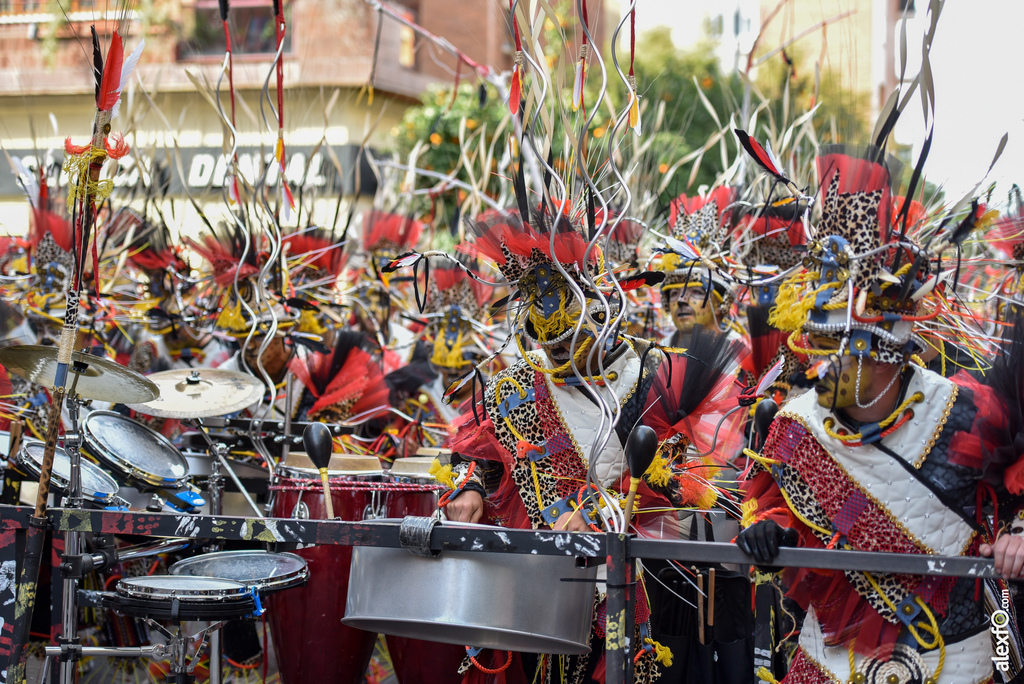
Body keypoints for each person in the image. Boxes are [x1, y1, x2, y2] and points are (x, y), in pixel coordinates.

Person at [736, 144, 1024, 684]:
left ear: (884, 353)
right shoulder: (796, 425)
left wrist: (1019, 537)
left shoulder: (966, 412)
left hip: (952, 662)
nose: (819, 370)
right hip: (831, 657)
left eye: (837, 351)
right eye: (816, 349)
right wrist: (768, 531)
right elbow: (779, 508)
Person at [430, 203, 747, 684]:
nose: (556, 351)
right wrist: (470, 488)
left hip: (636, 573)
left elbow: (677, 476)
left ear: (601, 310)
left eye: (567, 339)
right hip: (540, 575)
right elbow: (478, 450)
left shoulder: (652, 372)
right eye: (546, 341)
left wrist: (601, 511)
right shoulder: (519, 383)